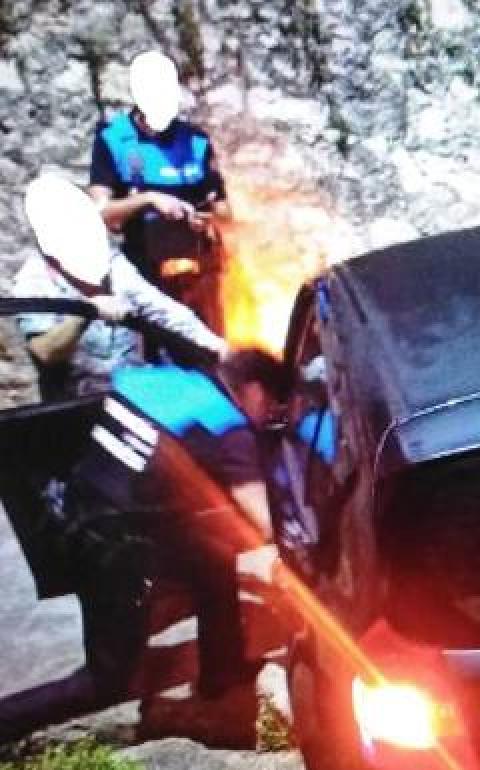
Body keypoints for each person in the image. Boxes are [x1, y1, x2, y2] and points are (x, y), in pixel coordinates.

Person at [0, 349, 283, 747]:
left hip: (79, 507)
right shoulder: (227, 425)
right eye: (271, 404)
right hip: (117, 546)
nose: (268, 415)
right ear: (253, 390)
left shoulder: (157, 380)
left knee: (214, 559)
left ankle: (223, 675)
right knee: (105, 682)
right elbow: (264, 523)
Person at [13, 173, 226, 401]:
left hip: (133, 392)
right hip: (79, 405)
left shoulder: (111, 263)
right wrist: (84, 315)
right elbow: (44, 352)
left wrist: (217, 346)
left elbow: (161, 309)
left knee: (206, 401)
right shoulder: (34, 280)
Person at [87, 50, 232, 332]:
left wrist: (208, 217)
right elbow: (102, 215)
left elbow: (224, 210)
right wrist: (149, 200)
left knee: (210, 354)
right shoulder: (113, 139)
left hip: (200, 275)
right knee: (154, 355)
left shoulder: (196, 141)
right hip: (144, 276)